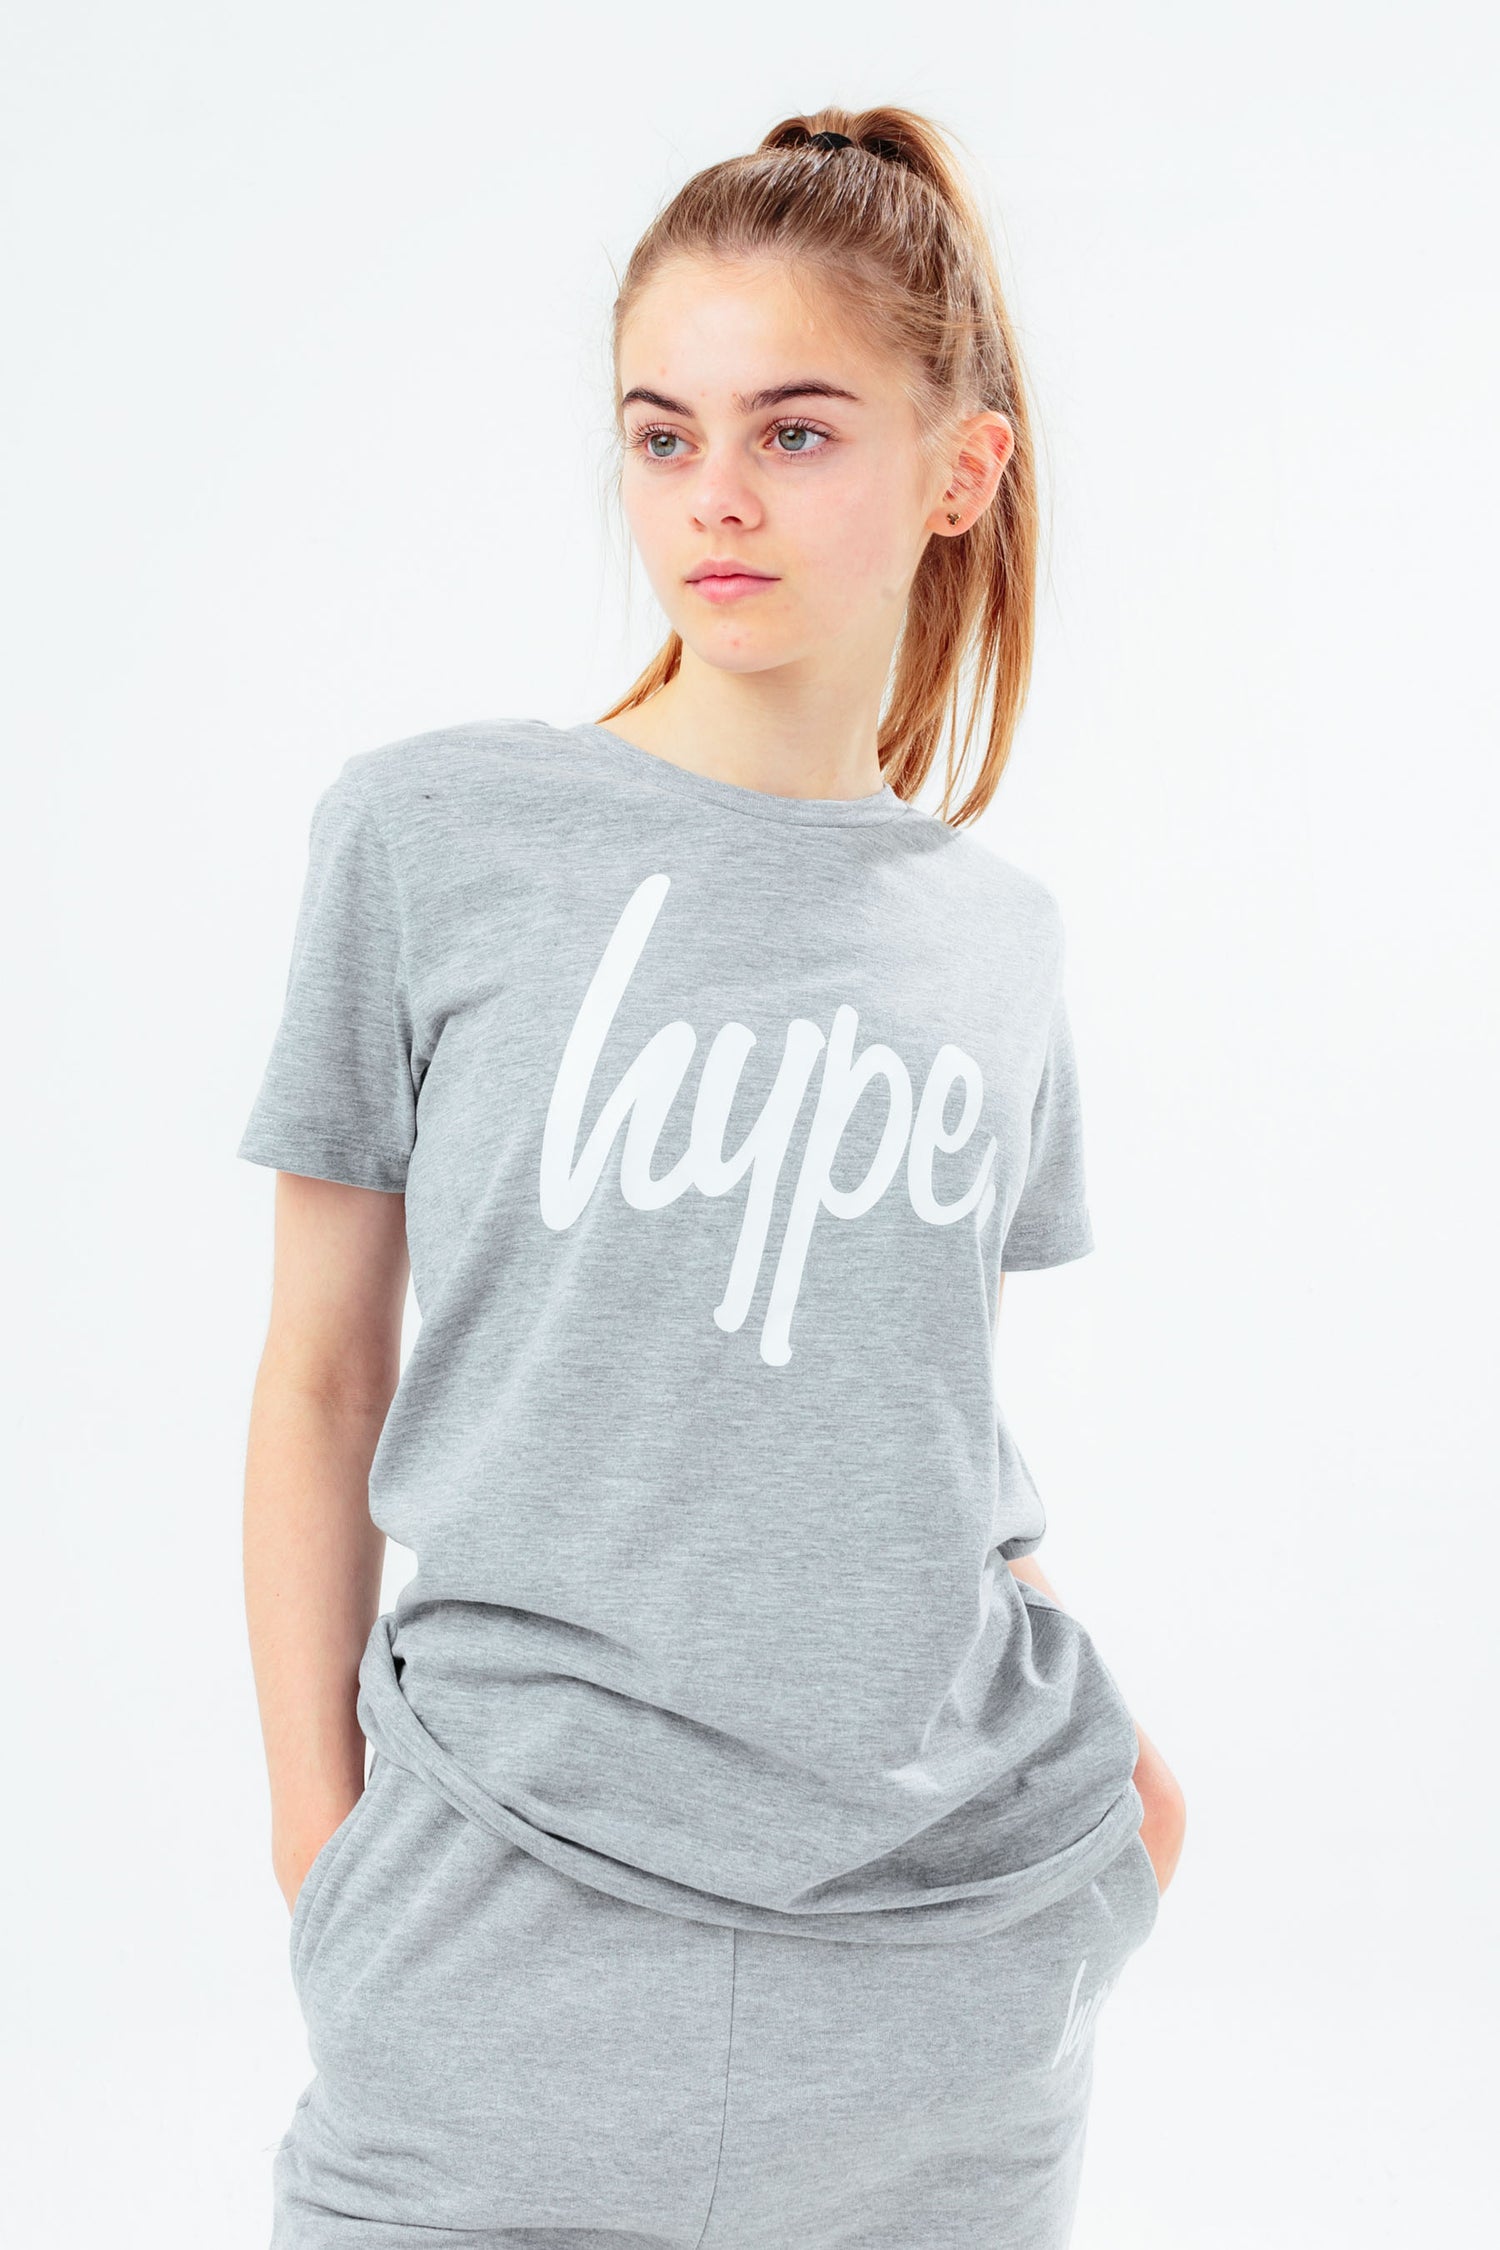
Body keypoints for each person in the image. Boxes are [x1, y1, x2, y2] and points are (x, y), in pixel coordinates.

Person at [237, 104, 1187, 2250]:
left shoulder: (996, 941)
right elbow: (318, 1376)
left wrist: (1127, 1819)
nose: (715, 498)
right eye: (662, 437)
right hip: (491, 1950)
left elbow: (927, 1440)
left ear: (960, 474)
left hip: (940, 1987)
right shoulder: (430, 837)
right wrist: (321, 1849)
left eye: (796, 431)